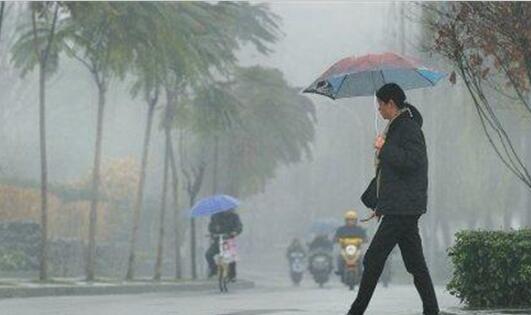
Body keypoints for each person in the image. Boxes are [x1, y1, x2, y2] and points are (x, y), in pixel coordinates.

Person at [346, 83, 439, 315]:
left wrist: (384, 148)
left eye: (380, 105)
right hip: (399, 207)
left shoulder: (408, 128)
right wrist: (381, 204)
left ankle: (356, 311)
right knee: (415, 264)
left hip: (403, 208)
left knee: (373, 258)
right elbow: (393, 175)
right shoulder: (396, 127)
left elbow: (412, 162)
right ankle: (431, 310)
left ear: (391, 103)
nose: (379, 110)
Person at [205, 209, 242, 280]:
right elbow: (210, 227)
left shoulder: (234, 216)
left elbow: (239, 226)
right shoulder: (215, 216)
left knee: (232, 256)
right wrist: (213, 232)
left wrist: (235, 232)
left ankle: (232, 275)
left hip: (229, 239)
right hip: (218, 240)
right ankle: (214, 269)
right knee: (208, 254)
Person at [334, 210, 367, 276]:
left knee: (362, 257)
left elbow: (365, 237)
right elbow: (336, 237)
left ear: (356, 221)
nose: (350, 222)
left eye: (352, 220)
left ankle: (362, 269)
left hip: (357, 249)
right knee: (339, 257)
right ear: (346, 220)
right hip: (345, 249)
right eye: (349, 220)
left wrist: (364, 239)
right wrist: (337, 239)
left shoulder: (359, 229)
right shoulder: (341, 229)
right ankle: (339, 270)